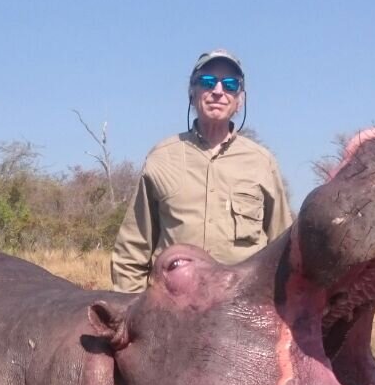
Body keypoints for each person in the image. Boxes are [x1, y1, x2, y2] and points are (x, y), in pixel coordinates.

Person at [111, 49, 292, 293]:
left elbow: (284, 252)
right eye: (207, 81)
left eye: (230, 84)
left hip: (240, 312)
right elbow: (132, 252)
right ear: (191, 92)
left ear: (240, 101)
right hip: (174, 311)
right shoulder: (161, 158)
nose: (218, 91)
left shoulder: (262, 162)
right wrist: (131, 316)